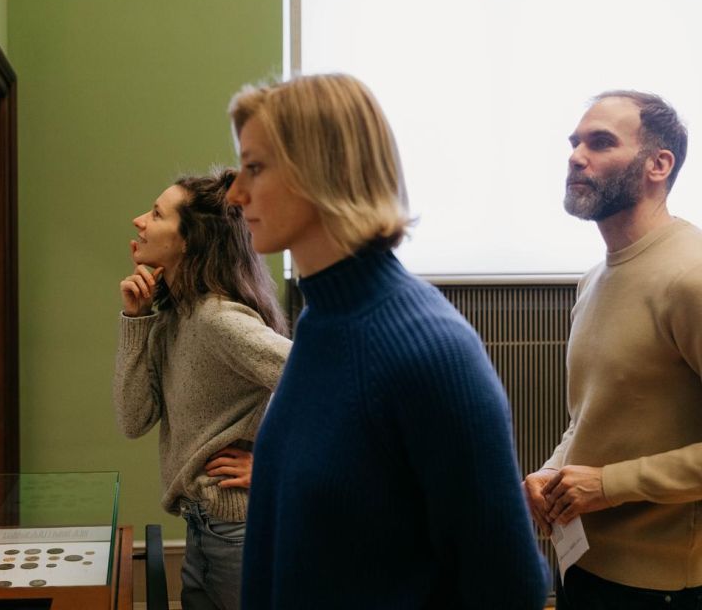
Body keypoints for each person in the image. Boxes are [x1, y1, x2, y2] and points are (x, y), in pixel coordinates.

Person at [224, 73, 549, 608]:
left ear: (322, 171)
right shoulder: (322, 321)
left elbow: (509, 584)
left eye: (255, 167)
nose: (236, 194)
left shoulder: (430, 351)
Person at [523, 91, 702, 608]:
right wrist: (552, 471)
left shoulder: (689, 278)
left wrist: (609, 484)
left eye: (601, 143)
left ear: (658, 164)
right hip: (584, 567)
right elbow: (592, 417)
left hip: (665, 589)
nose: (578, 156)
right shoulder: (594, 280)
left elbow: (606, 476)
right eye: (575, 143)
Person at [112, 168, 292, 610]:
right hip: (203, 526)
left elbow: (335, 385)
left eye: (156, 214)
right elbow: (132, 420)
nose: (140, 221)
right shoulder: (177, 315)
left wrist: (274, 465)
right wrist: (135, 321)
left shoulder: (218, 320)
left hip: (238, 536)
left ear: (189, 240)